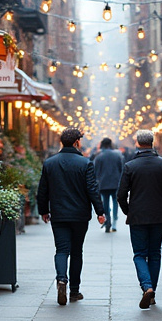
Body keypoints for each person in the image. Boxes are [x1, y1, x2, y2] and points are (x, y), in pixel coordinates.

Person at [36, 126, 106, 305]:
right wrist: (100, 211)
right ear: (76, 142)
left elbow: (43, 190)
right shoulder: (85, 163)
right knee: (76, 252)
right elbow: (92, 189)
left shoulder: (50, 163)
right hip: (80, 215)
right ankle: (74, 291)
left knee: (61, 250)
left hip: (59, 214)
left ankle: (61, 279)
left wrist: (43, 210)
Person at [117, 128, 162, 308]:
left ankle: (147, 287)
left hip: (138, 216)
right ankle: (152, 293)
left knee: (139, 254)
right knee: (154, 254)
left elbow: (121, 195)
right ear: (152, 143)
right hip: (159, 216)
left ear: (137, 143)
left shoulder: (130, 166)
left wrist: (128, 211)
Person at [93, 137, 124, 232]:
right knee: (115, 202)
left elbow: (95, 171)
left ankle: (107, 220)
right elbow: (121, 169)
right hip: (115, 183)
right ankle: (114, 222)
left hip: (103, 183)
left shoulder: (99, 156)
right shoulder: (117, 155)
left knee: (105, 203)